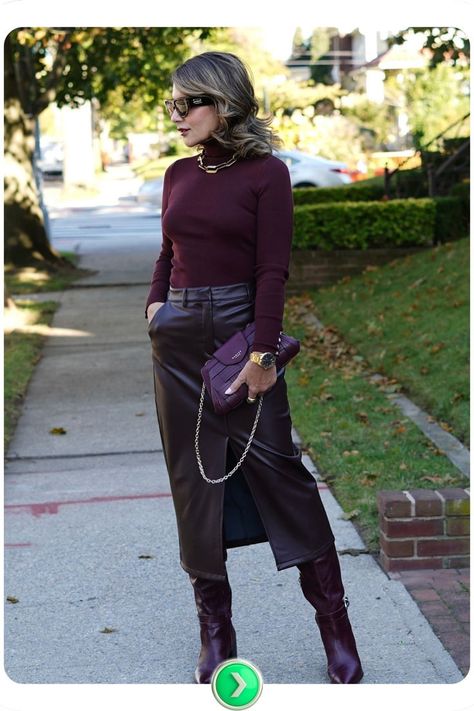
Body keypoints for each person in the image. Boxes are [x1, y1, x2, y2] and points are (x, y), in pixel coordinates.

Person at [145, 51, 363, 685]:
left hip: (243, 332)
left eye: (190, 103)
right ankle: (216, 631)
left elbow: (273, 271)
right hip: (179, 342)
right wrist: (155, 308)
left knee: (280, 472)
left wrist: (265, 355)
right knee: (194, 483)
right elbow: (169, 249)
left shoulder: (268, 174)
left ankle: (335, 625)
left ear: (226, 104)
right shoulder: (177, 174)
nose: (177, 114)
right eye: (173, 103)